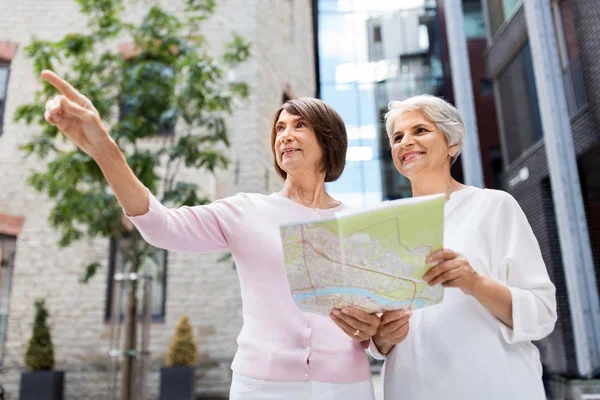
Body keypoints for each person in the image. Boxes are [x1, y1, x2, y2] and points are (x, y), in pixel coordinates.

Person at [40, 69, 379, 400]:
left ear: (329, 140)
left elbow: (385, 318)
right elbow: (161, 226)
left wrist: (374, 331)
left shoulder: (361, 224)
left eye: (300, 125)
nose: (285, 135)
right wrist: (104, 149)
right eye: (279, 128)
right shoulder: (246, 211)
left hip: (346, 386)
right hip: (262, 386)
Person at [331, 94, 557, 400]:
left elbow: (542, 313)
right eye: (397, 137)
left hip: (493, 386)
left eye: (420, 130)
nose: (405, 142)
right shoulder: (382, 227)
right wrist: (381, 338)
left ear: (452, 144)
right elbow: (381, 344)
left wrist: (473, 281)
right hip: (411, 389)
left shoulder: (493, 206)